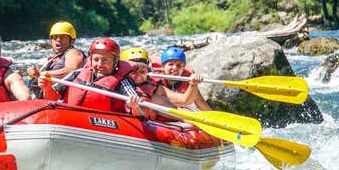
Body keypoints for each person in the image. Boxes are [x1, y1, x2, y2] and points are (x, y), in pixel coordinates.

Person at [39, 37, 171, 117]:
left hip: (105, 127)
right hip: (71, 120)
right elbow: (53, 97)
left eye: (105, 60)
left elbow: (141, 113)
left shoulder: (123, 82)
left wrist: (135, 106)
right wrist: (47, 87)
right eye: (96, 60)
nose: (100, 64)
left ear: (115, 62)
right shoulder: (77, 74)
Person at [27, 22, 86, 98]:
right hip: (43, 96)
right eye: (55, 37)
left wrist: (41, 74)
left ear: (72, 41)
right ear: (51, 40)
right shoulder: (55, 58)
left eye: (63, 37)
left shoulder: (73, 52)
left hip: (57, 98)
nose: (58, 40)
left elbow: (71, 71)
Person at [154, 46, 211, 111]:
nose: (175, 68)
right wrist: (192, 85)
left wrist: (214, 117)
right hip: (160, 108)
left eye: (178, 65)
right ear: (163, 66)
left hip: (176, 108)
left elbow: (200, 101)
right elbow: (183, 101)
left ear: (183, 67)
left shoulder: (188, 77)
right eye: (170, 64)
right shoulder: (156, 78)